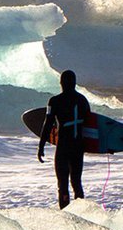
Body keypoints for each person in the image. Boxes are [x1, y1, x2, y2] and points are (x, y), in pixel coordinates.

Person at [38, 70, 91, 209]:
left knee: (63, 184)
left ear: (61, 83)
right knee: (76, 182)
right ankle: (81, 214)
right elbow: (91, 126)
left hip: (63, 147)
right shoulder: (82, 100)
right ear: (74, 83)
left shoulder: (54, 101)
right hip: (78, 147)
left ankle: (65, 214)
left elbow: (48, 124)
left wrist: (41, 146)